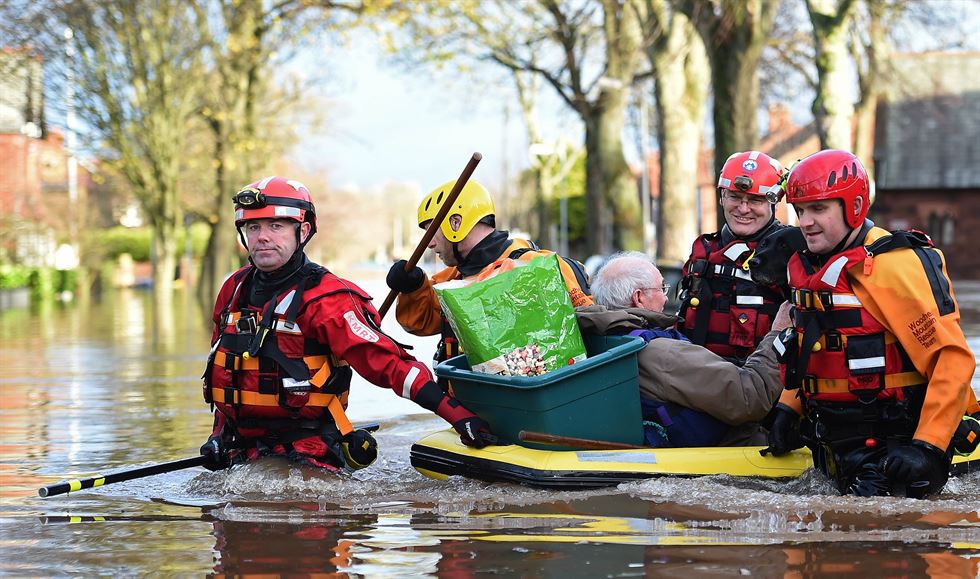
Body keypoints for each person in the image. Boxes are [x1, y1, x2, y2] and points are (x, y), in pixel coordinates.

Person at [199, 176, 496, 472]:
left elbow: (390, 366)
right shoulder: (234, 290)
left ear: (302, 231)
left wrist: (459, 416)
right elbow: (226, 371)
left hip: (309, 450)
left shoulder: (328, 299)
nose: (262, 236)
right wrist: (218, 437)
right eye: (254, 227)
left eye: (275, 226)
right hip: (243, 450)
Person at [763, 149, 980, 498]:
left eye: (819, 209)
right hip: (834, 443)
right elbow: (811, 346)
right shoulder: (809, 267)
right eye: (800, 210)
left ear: (853, 207)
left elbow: (952, 360)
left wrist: (927, 447)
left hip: (893, 453)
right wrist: (789, 408)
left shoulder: (893, 266)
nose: (805, 222)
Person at [578, 251, 793, 447]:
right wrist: (778, 334)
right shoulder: (661, 354)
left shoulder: (602, 339)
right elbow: (750, 396)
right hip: (726, 456)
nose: (665, 297)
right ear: (639, 297)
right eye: (662, 288)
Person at [386, 179, 593, 370]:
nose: (429, 243)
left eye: (432, 231)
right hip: (468, 403)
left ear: (456, 223)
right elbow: (420, 322)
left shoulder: (538, 265)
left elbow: (593, 323)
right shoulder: (452, 279)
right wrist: (413, 288)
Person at [677, 150, 790, 363]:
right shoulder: (703, 249)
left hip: (761, 384)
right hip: (697, 379)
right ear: (721, 197)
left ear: (772, 203)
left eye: (755, 200)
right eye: (735, 197)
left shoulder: (790, 252)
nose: (743, 208)